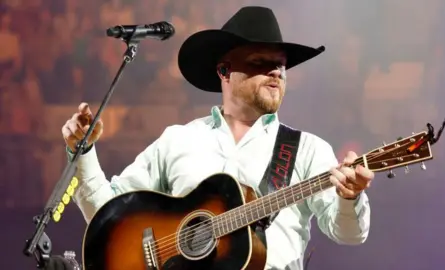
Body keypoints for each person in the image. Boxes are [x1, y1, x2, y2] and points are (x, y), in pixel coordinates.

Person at [63, 6, 374, 270]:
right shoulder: (178, 140)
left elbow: (348, 233)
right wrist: (83, 151)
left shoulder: (307, 149)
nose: (276, 72)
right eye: (260, 62)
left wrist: (351, 197)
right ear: (225, 71)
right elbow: (107, 215)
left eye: (280, 65)